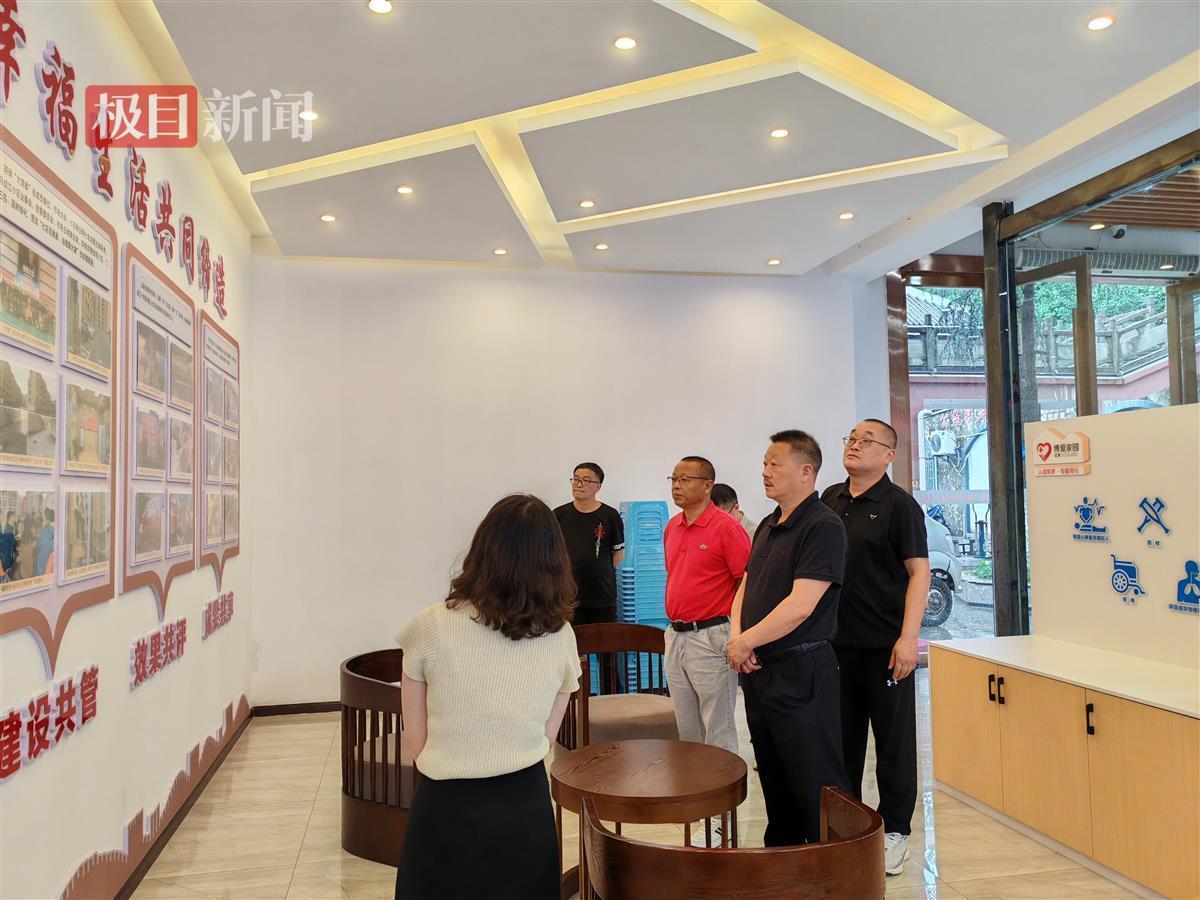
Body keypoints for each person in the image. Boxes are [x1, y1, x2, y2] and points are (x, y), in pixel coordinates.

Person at [394, 495, 580, 900]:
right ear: (555, 562)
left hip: (445, 803)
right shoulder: (561, 635)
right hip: (525, 803)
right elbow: (547, 736)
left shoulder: (431, 625)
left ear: (483, 550)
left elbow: (416, 739)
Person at [727, 430, 850, 846]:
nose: (765, 472)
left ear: (806, 471)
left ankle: (831, 866)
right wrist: (739, 637)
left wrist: (746, 642)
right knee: (775, 778)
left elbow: (801, 605)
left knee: (815, 780)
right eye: (764, 464)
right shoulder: (768, 524)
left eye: (774, 464)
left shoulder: (823, 526)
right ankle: (782, 862)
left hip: (802, 671)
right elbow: (746, 586)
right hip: (760, 671)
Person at [821, 419, 930, 876]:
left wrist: (908, 639)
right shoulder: (829, 499)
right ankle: (847, 829)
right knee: (839, 743)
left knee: (893, 745)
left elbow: (919, 574)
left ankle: (895, 831)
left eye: (867, 441)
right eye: (851, 438)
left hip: (885, 647)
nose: (855, 445)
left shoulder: (900, 506)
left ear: (889, 455)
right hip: (833, 646)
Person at [664, 456, 751, 844]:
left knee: (718, 731)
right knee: (688, 731)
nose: (677, 485)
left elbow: (747, 582)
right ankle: (697, 807)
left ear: (708, 485)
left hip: (712, 635)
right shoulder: (672, 527)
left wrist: (739, 636)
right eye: (674, 478)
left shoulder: (726, 528)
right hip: (676, 635)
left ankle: (722, 818)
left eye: (686, 479)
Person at [553, 463, 624, 627]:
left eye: (586, 480)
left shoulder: (610, 515)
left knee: (605, 640)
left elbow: (619, 554)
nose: (579, 484)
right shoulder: (559, 514)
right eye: (576, 479)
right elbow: (551, 552)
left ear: (598, 486)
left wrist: (597, 569)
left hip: (602, 595)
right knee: (572, 640)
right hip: (568, 596)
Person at [34, 508, 54, 577]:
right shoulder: (56, 527)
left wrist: (37, 542)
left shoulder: (46, 529)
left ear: (45, 517)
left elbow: (40, 544)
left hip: (44, 556)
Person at [0, 511, 16, 582]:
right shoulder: (7, 528)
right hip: (6, 554)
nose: (14, 519)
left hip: (7, 553)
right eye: (13, 517)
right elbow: (6, 544)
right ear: (10, 518)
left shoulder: (10, 526)